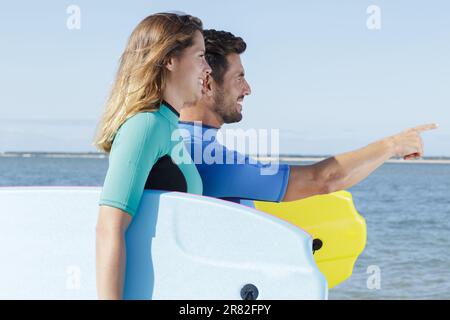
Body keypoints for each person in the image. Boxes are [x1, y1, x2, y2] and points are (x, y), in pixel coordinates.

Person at [179, 29, 438, 204]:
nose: (248, 89)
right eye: (239, 77)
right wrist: (393, 145)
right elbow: (322, 180)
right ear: (208, 83)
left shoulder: (177, 139)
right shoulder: (204, 155)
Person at [93, 13, 211, 300]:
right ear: (170, 59)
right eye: (200, 56)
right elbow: (108, 228)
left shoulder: (167, 125)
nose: (207, 68)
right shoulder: (145, 126)